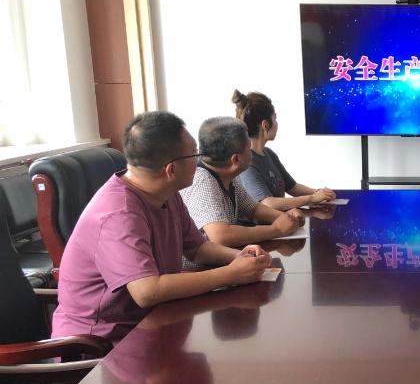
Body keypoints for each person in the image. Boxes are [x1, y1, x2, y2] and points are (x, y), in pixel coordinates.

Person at [52, 111, 272, 345]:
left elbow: (197, 248)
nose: (200, 162)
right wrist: (230, 274)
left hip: (151, 322)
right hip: (101, 344)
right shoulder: (118, 212)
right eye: (195, 154)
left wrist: (239, 256)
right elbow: (147, 291)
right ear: (171, 170)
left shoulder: (166, 193)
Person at [180, 117, 305, 248]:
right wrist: (276, 230)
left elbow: (253, 209)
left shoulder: (226, 176)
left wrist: (287, 218)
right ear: (235, 160)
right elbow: (221, 236)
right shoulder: (202, 181)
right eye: (249, 148)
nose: (252, 153)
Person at [232, 89, 336, 209]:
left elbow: (293, 187)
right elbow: (268, 204)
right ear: (265, 125)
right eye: (275, 118)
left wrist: (319, 192)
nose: (277, 123)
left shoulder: (269, 154)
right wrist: (311, 198)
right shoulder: (247, 163)